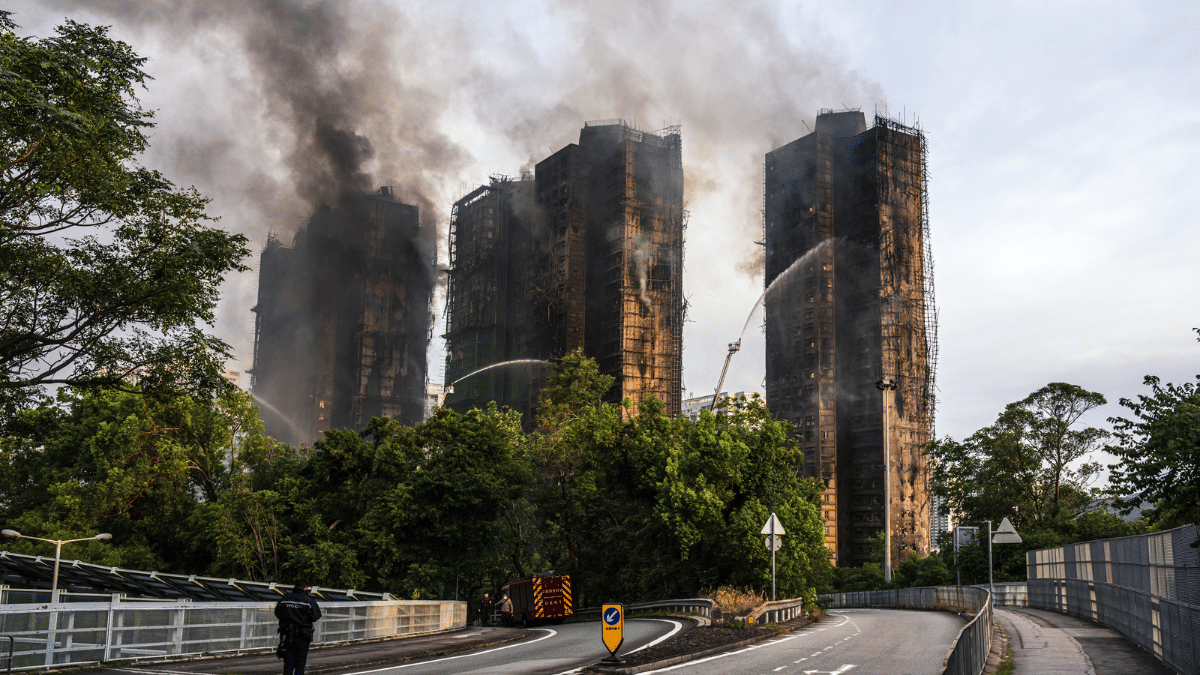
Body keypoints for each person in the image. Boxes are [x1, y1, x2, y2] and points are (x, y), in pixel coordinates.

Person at [275, 581, 322, 675]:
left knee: (288, 662)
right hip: (303, 635)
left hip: (287, 634)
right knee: (300, 663)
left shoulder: (285, 598)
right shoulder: (308, 600)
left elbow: (277, 613)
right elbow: (316, 615)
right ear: (305, 588)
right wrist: (304, 619)